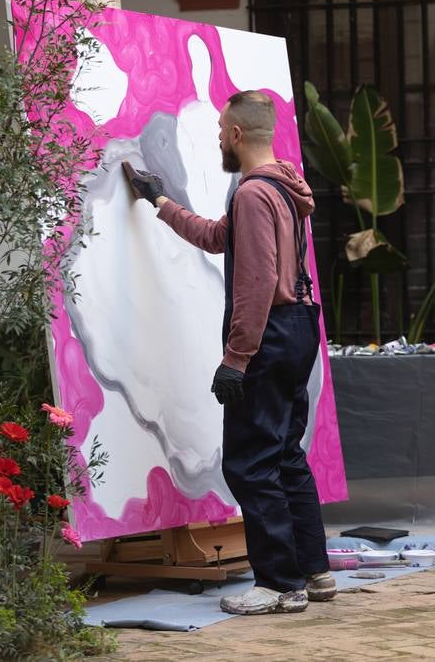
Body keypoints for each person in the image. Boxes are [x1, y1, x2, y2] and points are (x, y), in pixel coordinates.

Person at [123, 90, 336, 615]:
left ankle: (280, 586)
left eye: (221, 129)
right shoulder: (282, 187)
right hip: (298, 328)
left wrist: (235, 359)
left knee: (250, 464)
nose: (218, 136)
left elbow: (258, 281)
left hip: (267, 335)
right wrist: (161, 201)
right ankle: (315, 571)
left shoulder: (251, 193)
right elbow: (221, 239)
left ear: (237, 135)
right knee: (285, 454)